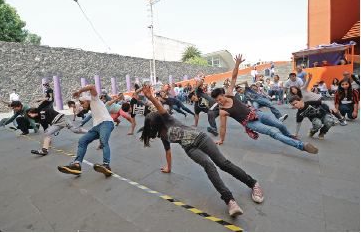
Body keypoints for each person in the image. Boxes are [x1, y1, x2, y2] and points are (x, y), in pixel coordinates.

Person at [138, 83, 264, 217]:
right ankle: (230, 200)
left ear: (157, 120)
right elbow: (167, 152)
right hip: (189, 148)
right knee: (208, 164)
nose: (150, 128)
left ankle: (253, 184)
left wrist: (151, 97)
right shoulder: (162, 135)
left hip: (201, 138)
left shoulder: (168, 119)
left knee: (223, 164)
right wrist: (169, 168)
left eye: (150, 125)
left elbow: (159, 107)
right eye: (148, 126)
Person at [211, 54, 318, 155]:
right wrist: (221, 140)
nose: (219, 102)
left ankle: (290, 138)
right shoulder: (222, 111)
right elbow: (223, 126)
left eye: (220, 99)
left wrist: (237, 65)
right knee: (273, 132)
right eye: (217, 101)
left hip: (255, 113)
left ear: (223, 95)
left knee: (280, 124)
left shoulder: (230, 94)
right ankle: (302, 146)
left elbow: (234, 77)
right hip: (250, 123)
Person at [57, 85, 115, 176]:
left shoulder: (95, 100)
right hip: (97, 127)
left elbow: (91, 87)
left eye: (83, 103)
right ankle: (77, 165)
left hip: (106, 123)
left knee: (104, 141)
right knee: (82, 140)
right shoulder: (94, 109)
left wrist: (79, 91)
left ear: (89, 101)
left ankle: (106, 165)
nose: (82, 106)